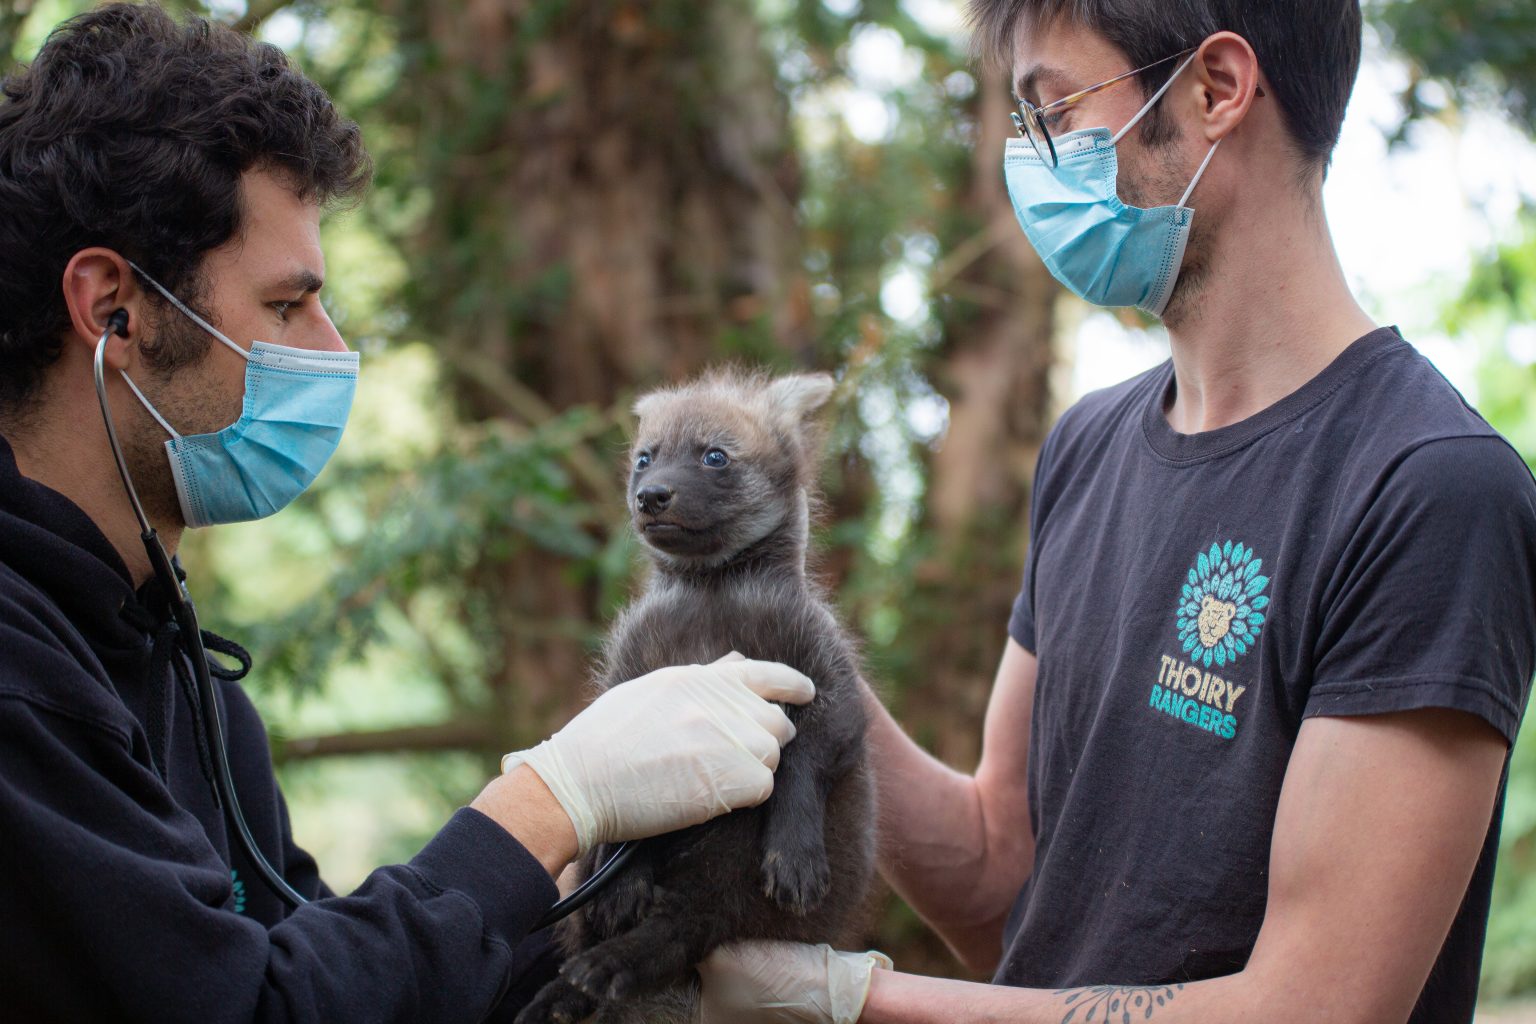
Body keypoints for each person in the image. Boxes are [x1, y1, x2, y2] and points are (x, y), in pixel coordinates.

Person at [697, 2, 1536, 1022]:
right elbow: (1006, 885)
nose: (1035, 164)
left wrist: (842, 998)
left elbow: (1317, 1006)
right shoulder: (1088, 448)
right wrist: (769, 621)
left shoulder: (1428, 489)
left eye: (1055, 112)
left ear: (1216, 89)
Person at [0, 5, 816, 1020]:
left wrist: (664, 967)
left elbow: (350, 988)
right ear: (115, 308)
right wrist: (549, 801)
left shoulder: (189, 694)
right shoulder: (21, 672)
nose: (334, 350)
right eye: (289, 305)